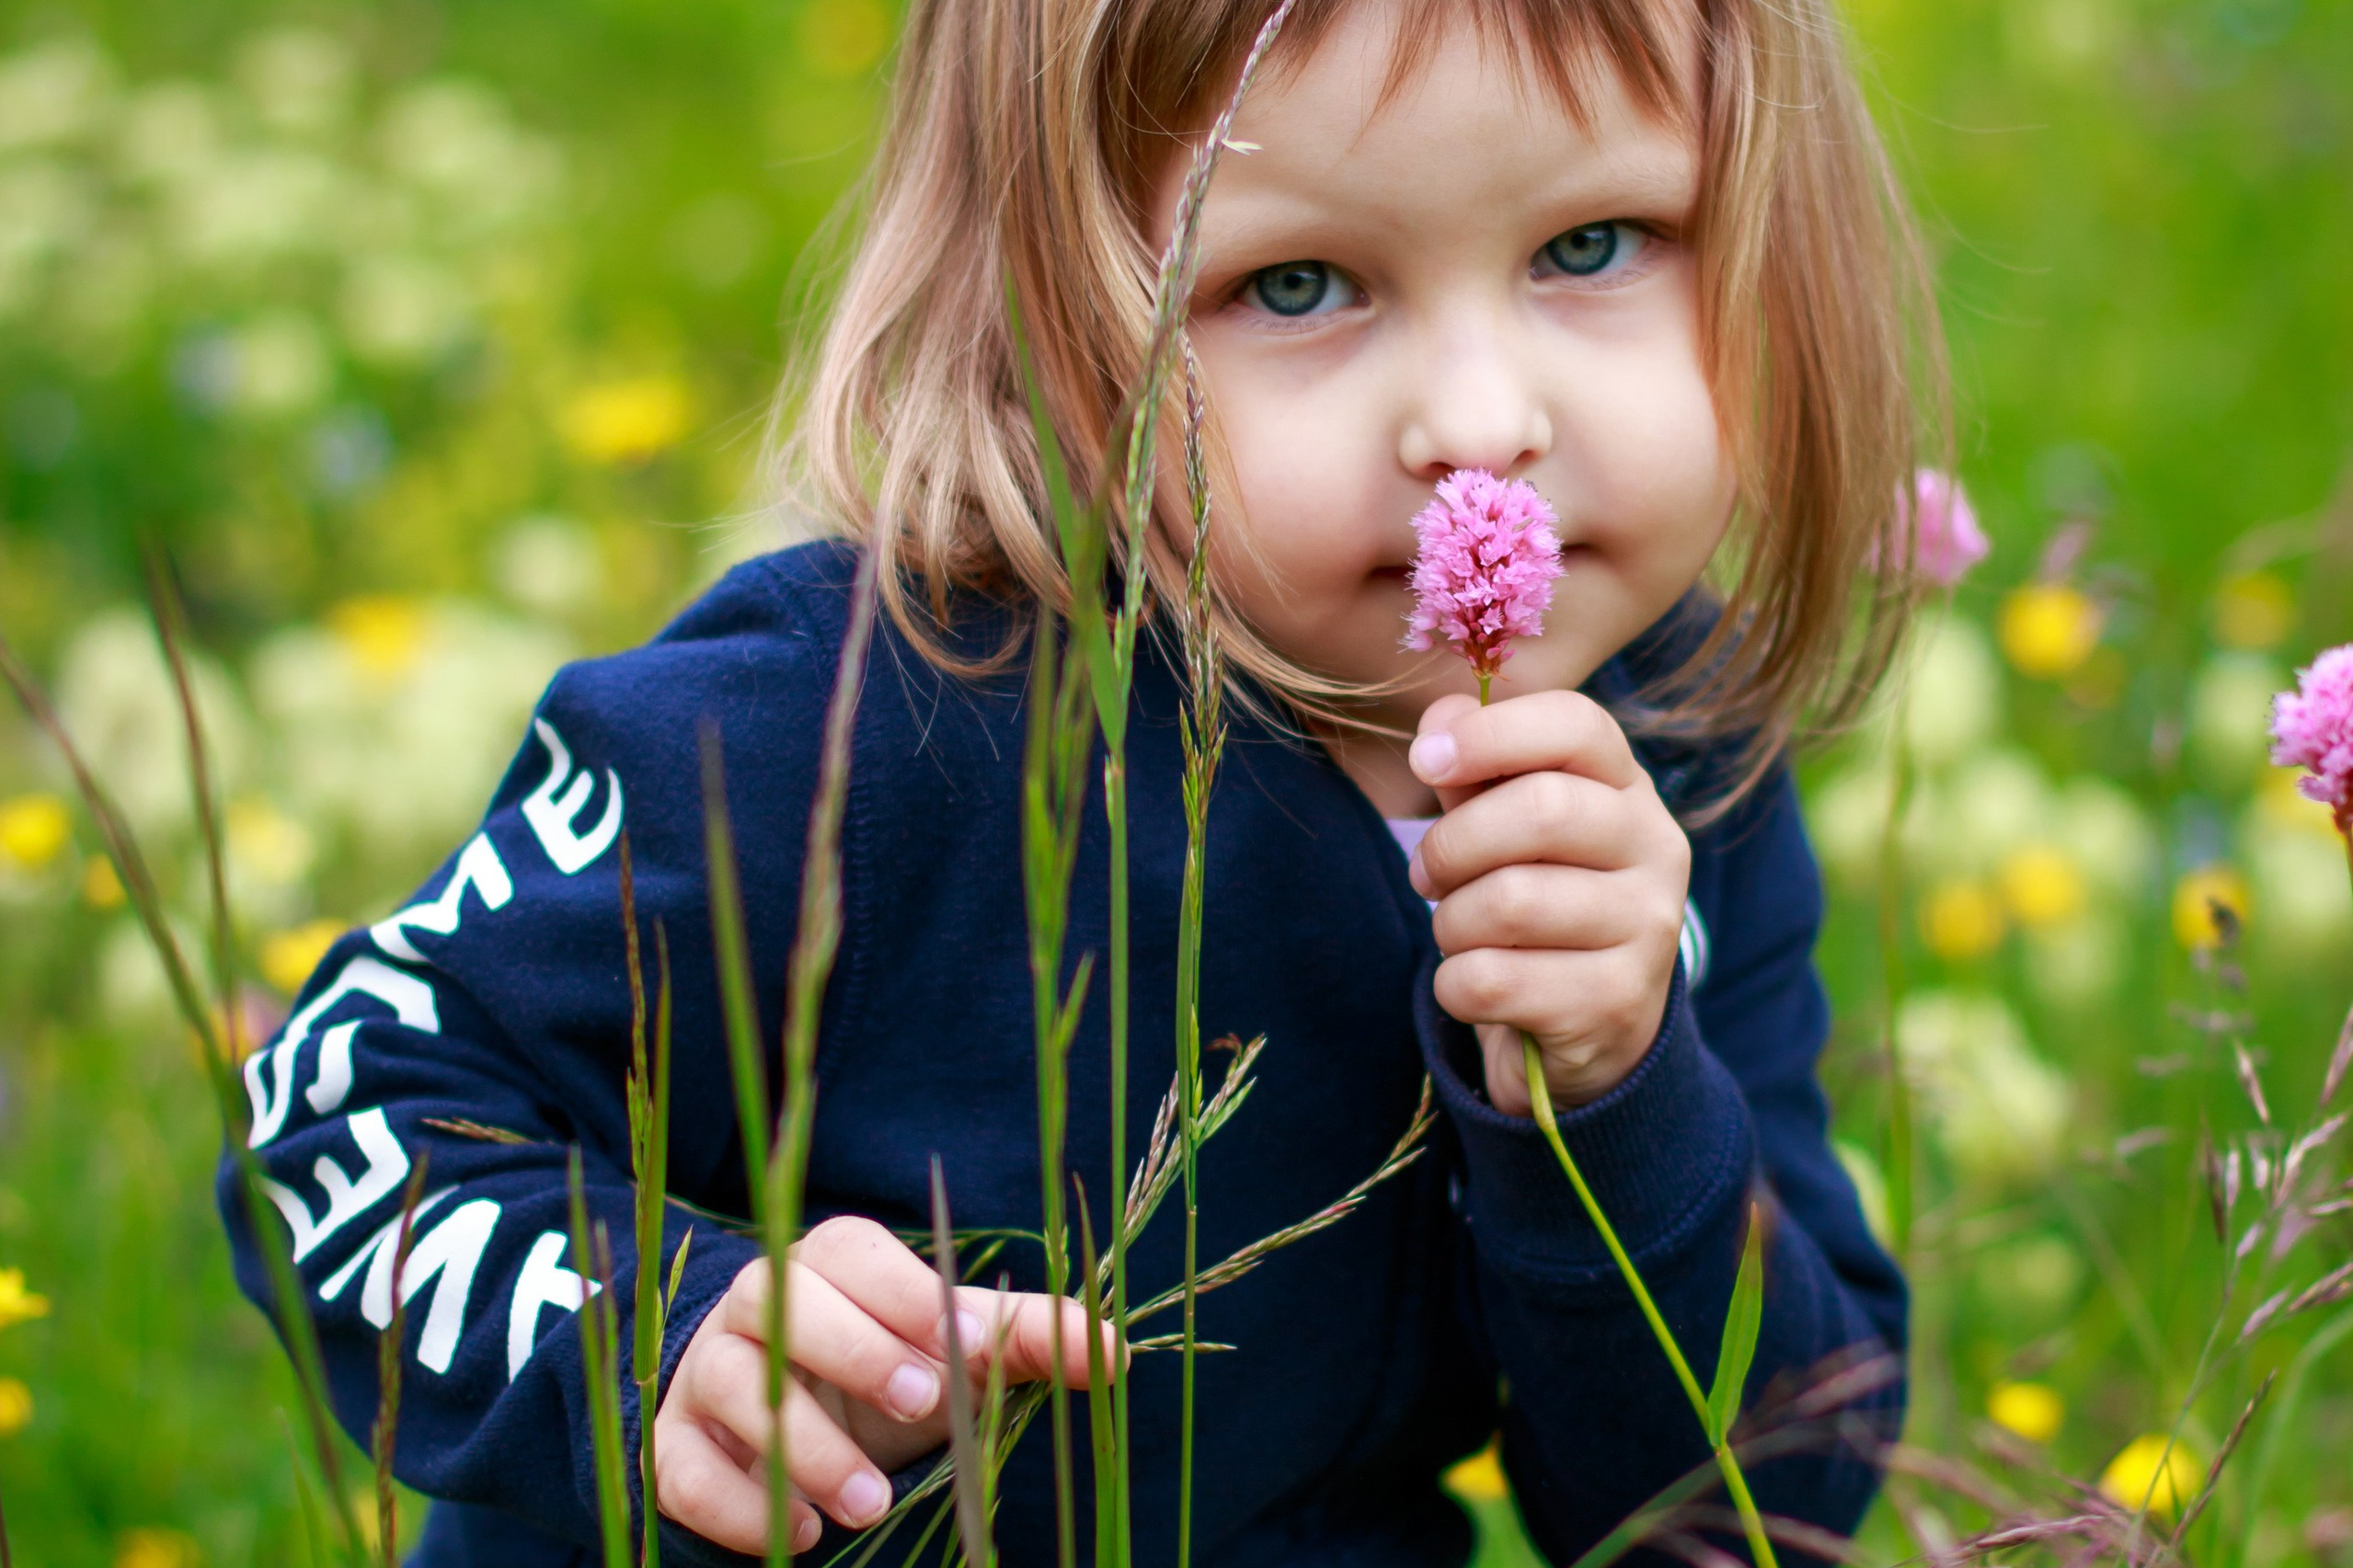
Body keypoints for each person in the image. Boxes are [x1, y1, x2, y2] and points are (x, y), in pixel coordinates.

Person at [222, 0, 1936, 1562]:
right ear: (1037, 313)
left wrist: (1622, 1095)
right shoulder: (851, 722)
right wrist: (658, 1336)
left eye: (1591, 244)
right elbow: (348, 1108)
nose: (1481, 424)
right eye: (1296, 286)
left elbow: (1757, 1507)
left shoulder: (1675, 761)